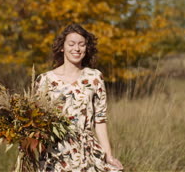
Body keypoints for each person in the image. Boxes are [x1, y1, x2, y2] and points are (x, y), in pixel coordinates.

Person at [34, 23, 124, 171]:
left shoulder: (94, 77)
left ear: (86, 48)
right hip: (55, 153)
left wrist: (109, 156)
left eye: (81, 44)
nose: (77, 48)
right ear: (62, 47)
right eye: (72, 44)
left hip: (86, 151)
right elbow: (36, 122)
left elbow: (100, 120)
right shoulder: (45, 80)